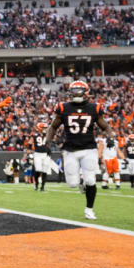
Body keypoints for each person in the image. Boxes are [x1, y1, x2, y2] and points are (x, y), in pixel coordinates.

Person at [44, 80, 110, 221]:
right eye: (74, 90)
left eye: (79, 90)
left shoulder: (94, 108)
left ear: (85, 92)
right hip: (70, 150)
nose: (76, 93)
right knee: (72, 184)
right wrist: (47, 141)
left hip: (89, 149)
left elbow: (105, 126)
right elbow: (53, 127)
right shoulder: (63, 108)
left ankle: (89, 209)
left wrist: (110, 137)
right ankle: (81, 184)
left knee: (91, 180)